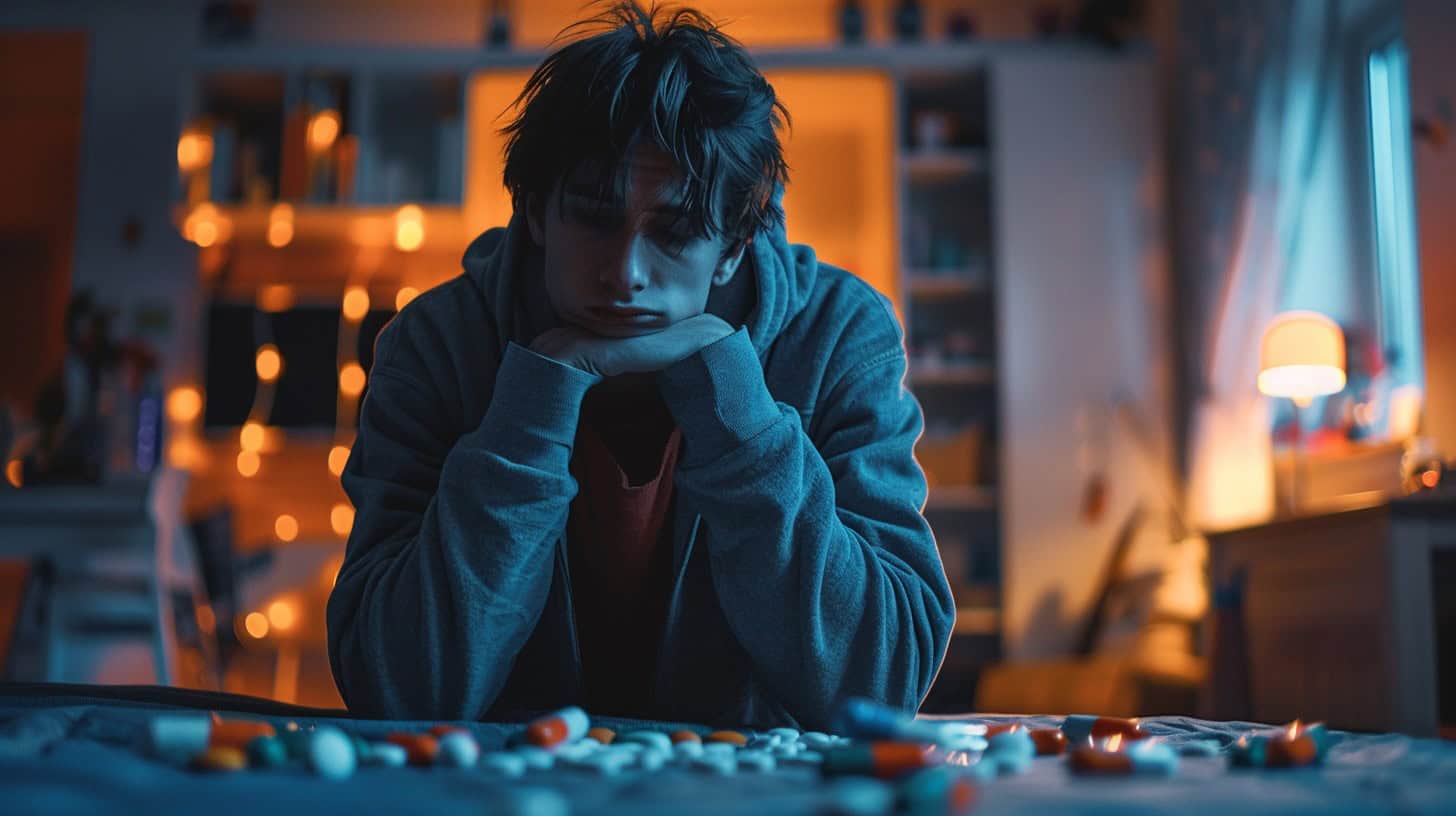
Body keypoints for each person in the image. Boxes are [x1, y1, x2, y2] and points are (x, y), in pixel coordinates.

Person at [326, 1, 955, 730]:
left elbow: (884, 687)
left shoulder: (841, 334)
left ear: (734, 245)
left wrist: (741, 419)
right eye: (594, 214)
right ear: (532, 212)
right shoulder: (435, 345)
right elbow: (396, 692)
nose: (625, 273)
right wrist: (535, 400)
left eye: (677, 230)